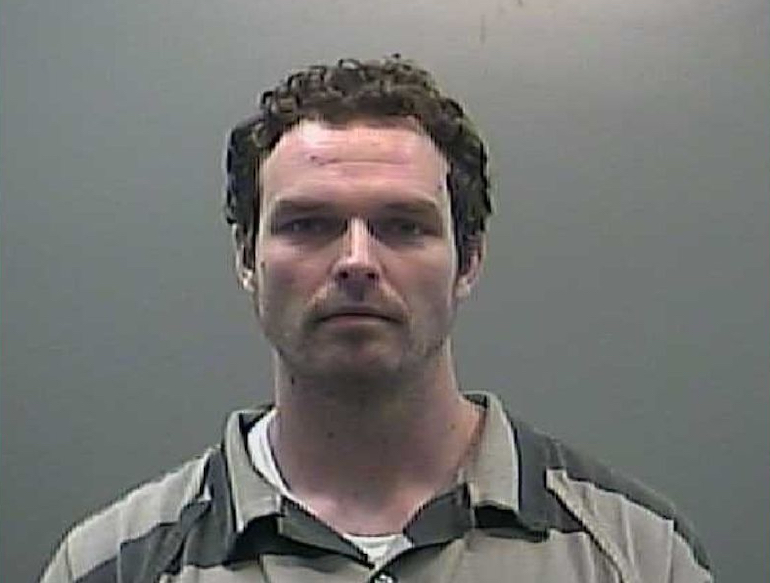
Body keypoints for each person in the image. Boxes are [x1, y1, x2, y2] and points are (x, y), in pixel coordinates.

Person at [41, 55, 712, 583]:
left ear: (468, 260)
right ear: (247, 258)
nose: (356, 261)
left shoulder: (638, 553)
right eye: (309, 224)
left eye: (403, 225)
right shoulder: (113, 565)